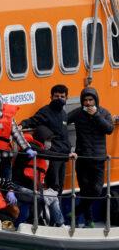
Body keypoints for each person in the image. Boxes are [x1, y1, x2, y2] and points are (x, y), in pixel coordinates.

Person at [68, 87, 114, 227]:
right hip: (82, 158)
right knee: (84, 190)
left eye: (90, 100)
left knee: (97, 190)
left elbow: (109, 129)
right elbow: (62, 122)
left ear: (96, 100)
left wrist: (96, 115)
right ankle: (89, 221)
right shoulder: (77, 113)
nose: (88, 103)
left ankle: (76, 211)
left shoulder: (104, 112)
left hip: (98, 158)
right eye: (85, 100)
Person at [12, 126, 74, 227]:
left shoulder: (40, 150)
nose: (49, 143)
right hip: (18, 187)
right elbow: (46, 154)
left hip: (31, 189)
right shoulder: (30, 148)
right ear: (41, 138)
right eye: (47, 140)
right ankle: (59, 224)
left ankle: (60, 224)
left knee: (52, 197)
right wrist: (66, 156)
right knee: (47, 198)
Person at [20, 84, 71, 194]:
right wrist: (22, 124)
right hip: (52, 155)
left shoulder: (64, 114)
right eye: (56, 96)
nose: (59, 99)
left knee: (60, 187)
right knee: (53, 187)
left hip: (63, 156)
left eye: (62, 97)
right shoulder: (45, 111)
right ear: (51, 97)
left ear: (67, 98)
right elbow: (33, 120)